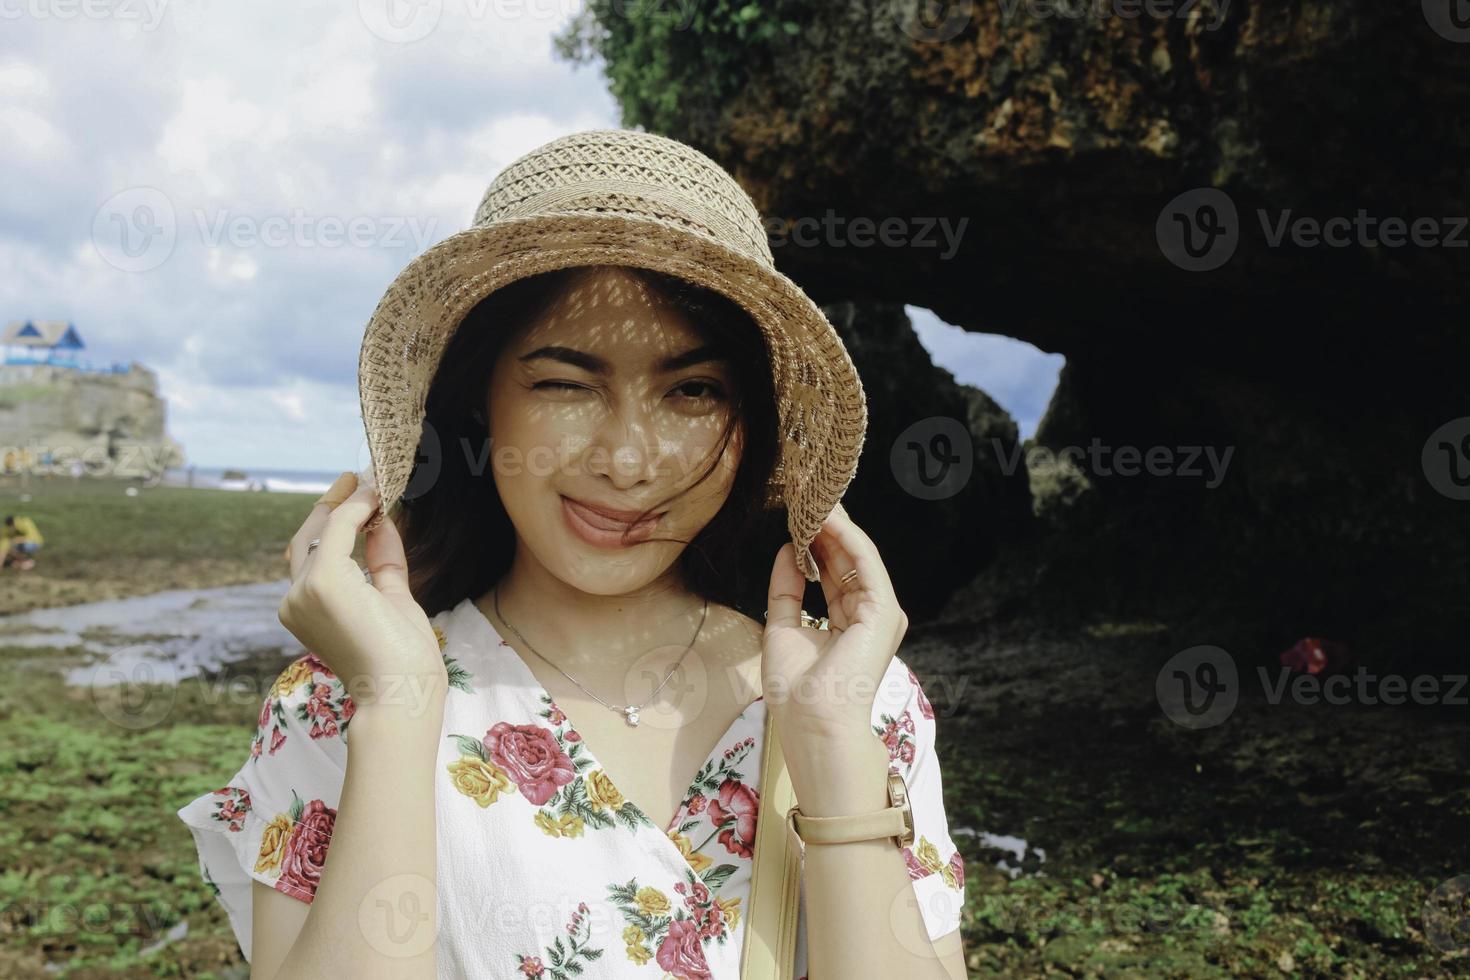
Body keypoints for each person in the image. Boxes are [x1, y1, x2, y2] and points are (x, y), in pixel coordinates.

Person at [176, 130, 968, 980]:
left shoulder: (855, 697)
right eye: (563, 383)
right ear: (479, 401)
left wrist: (833, 753)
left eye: (693, 391)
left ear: (752, 425)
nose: (627, 459)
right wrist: (396, 714)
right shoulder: (339, 701)